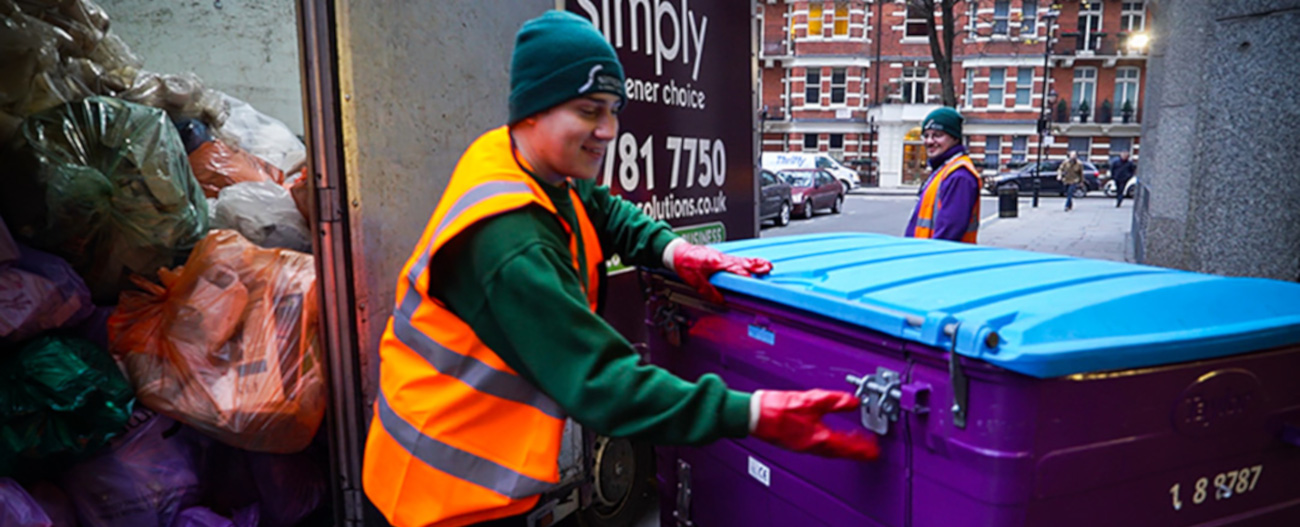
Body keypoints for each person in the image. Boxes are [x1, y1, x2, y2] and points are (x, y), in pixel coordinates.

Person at [361, 11, 879, 527]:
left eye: (612, 110)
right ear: (532, 111)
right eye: (589, 111)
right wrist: (752, 413)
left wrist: (676, 252)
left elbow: (604, 210)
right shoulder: (507, 241)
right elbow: (602, 382)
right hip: (438, 498)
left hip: (467, 476)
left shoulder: (524, 159)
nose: (607, 130)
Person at [904, 107, 981, 243]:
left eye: (937, 135)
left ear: (955, 138)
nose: (929, 141)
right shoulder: (944, 170)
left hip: (939, 260)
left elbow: (948, 233)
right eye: (926, 135)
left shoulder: (959, 176)